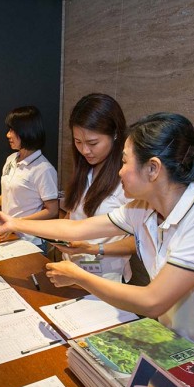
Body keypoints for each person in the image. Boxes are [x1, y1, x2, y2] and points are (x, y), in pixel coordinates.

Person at [0, 112, 194, 387]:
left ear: (153, 169)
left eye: (124, 161)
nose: (119, 171)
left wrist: (79, 276)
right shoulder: (143, 209)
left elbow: (152, 301)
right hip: (187, 358)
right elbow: (77, 229)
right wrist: (14, 222)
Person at [57, 93, 134, 283]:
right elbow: (73, 215)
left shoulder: (127, 179)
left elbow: (141, 240)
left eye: (93, 143)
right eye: (78, 142)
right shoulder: (85, 168)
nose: (85, 150)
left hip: (105, 276)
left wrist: (94, 249)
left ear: (115, 134)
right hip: (70, 270)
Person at [0, 106, 59, 247]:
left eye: (12, 130)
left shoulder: (44, 169)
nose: (8, 135)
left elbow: (52, 210)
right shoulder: (11, 159)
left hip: (30, 240)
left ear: (26, 132)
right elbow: (18, 189)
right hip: (9, 235)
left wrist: (16, 224)